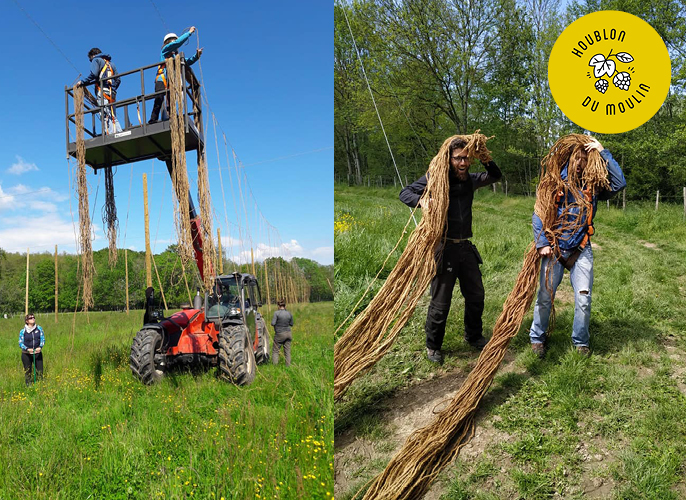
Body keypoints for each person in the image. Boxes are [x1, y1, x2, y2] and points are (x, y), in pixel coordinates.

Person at [400, 136, 502, 363]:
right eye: (458, 159)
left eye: (466, 158)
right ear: (448, 159)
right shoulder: (436, 179)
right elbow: (404, 193)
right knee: (441, 302)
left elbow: (495, 176)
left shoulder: (471, 180)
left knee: (476, 295)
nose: (463, 163)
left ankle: (473, 336)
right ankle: (433, 345)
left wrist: (485, 157)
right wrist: (423, 201)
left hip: (465, 247)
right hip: (443, 248)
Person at [529, 137, 626, 358]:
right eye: (577, 158)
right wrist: (542, 243)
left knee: (583, 297)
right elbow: (539, 213)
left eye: (585, 158)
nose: (580, 163)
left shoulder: (594, 185)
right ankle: (537, 338)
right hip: (554, 249)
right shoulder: (554, 183)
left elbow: (619, 183)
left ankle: (580, 342)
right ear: (569, 159)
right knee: (545, 296)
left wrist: (603, 152)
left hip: (581, 250)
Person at [148, 27, 204, 124]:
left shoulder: (176, 57)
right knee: (159, 97)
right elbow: (177, 43)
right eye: (173, 41)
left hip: (171, 81)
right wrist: (189, 33)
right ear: (168, 42)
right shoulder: (165, 51)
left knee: (171, 100)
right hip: (162, 79)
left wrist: (197, 56)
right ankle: (153, 119)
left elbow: (187, 62)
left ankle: (172, 116)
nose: (175, 44)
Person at [78, 48, 122, 135]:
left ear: (92, 55)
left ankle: (110, 134)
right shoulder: (111, 64)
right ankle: (119, 132)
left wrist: (83, 82)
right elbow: (118, 80)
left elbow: (94, 74)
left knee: (105, 114)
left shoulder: (96, 60)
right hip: (111, 93)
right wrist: (113, 88)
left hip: (102, 91)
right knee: (112, 114)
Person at [19, 313, 45, 386]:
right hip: (26, 354)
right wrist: (27, 349)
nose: (33, 319)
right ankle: (29, 386)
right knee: (28, 371)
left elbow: (42, 339)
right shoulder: (23, 331)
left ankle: (40, 386)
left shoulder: (39, 329)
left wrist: (40, 347)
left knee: (39, 371)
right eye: (31, 318)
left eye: (34, 317)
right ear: (27, 321)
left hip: (37, 353)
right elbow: (20, 343)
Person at [271, 300, 294, 366]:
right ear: (285, 306)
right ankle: (288, 366)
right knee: (287, 351)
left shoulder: (276, 313)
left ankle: (275, 366)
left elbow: (273, 323)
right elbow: (291, 324)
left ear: (278, 306)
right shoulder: (289, 313)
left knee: (275, 351)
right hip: (288, 334)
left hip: (279, 334)